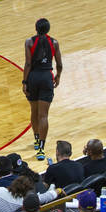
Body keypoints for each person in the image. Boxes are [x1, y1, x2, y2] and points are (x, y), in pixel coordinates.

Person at [23, 18, 63, 160]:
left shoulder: (29, 42)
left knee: (34, 111)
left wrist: (24, 81)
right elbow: (59, 64)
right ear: (48, 29)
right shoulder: (54, 42)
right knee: (43, 115)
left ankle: (35, 139)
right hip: (46, 78)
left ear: (36, 28)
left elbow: (28, 64)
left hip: (33, 77)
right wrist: (57, 77)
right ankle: (41, 149)